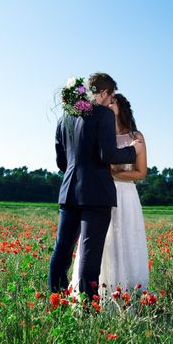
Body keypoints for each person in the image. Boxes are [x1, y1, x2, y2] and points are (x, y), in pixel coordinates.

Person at [49, 73, 143, 303]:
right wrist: (133, 150)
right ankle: (89, 309)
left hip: (69, 191)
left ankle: (56, 301)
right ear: (103, 93)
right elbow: (108, 154)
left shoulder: (65, 118)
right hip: (97, 195)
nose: (110, 101)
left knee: (61, 251)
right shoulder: (103, 115)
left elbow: (61, 162)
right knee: (90, 257)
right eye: (110, 96)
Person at [70, 93, 149, 298]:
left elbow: (141, 173)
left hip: (126, 195)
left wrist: (112, 173)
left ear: (120, 107)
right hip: (101, 193)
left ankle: (128, 293)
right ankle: (98, 293)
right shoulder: (99, 134)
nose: (106, 105)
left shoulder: (136, 136)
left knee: (126, 239)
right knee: (102, 242)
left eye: (112, 102)